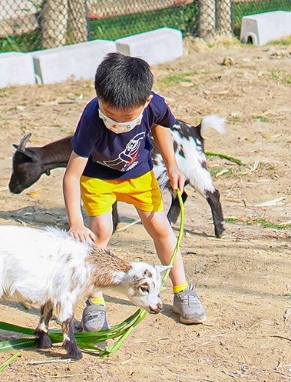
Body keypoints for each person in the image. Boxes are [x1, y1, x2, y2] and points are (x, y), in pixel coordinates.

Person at [62, 52, 206, 329]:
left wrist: (172, 166)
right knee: (100, 232)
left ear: (146, 101)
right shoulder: (92, 118)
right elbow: (72, 174)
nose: (116, 122)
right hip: (98, 178)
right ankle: (95, 302)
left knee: (160, 226)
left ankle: (182, 290)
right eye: (109, 113)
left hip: (139, 173)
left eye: (126, 116)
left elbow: (163, 126)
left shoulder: (155, 105)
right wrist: (75, 222)